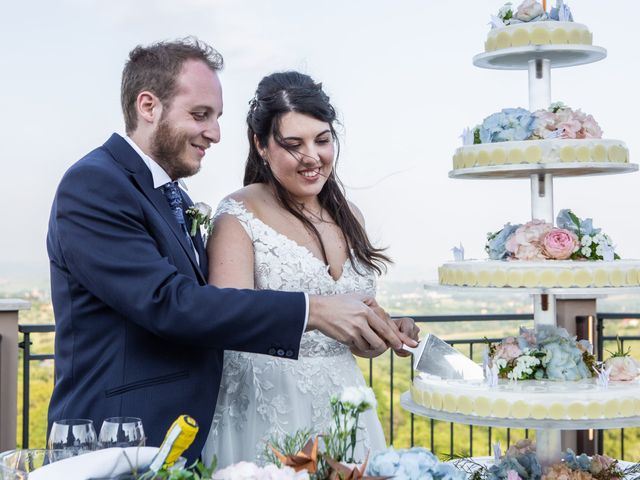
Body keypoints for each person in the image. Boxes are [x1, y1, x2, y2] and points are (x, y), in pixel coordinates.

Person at [45, 38, 416, 462]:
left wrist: (370, 328)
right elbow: (168, 304)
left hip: (172, 438)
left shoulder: (172, 195)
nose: (216, 133)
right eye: (201, 115)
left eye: (217, 117)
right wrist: (313, 311)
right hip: (113, 437)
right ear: (148, 106)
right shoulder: (95, 184)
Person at [201, 71, 420, 467]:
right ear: (261, 145)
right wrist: (316, 315)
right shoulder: (238, 214)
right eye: (293, 144)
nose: (312, 157)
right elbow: (227, 320)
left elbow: (353, 338)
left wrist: (380, 331)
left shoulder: (349, 215)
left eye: (322, 140)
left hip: (346, 410)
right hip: (268, 410)